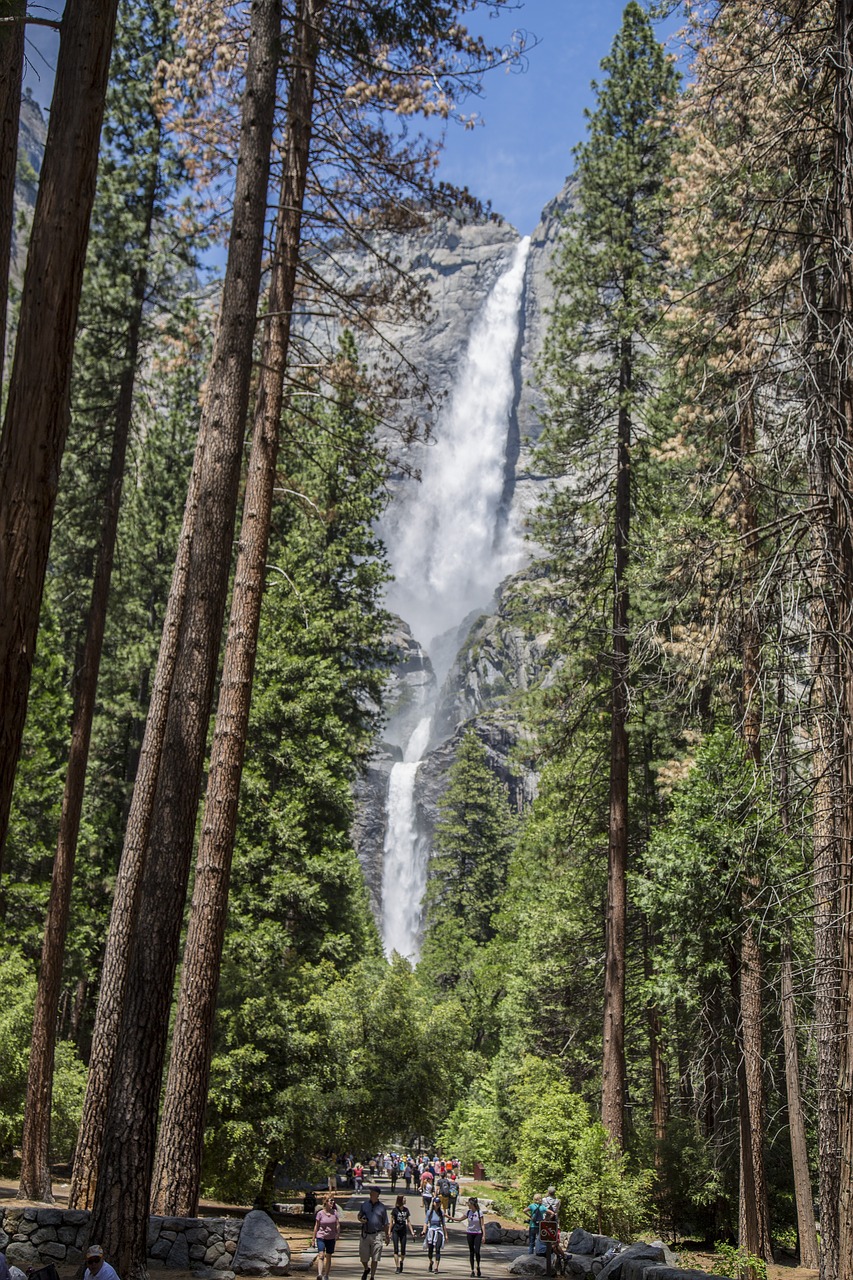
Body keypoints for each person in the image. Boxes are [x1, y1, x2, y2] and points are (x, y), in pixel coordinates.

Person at [358, 1186, 390, 1280]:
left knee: (375, 1257)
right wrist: (361, 1219)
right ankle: (366, 1268)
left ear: (377, 1194)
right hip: (365, 1234)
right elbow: (359, 1216)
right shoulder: (364, 1205)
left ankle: (372, 1276)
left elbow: (385, 1223)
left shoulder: (382, 1208)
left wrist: (387, 1236)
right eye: (370, 1192)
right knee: (363, 1257)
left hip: (377, 1234)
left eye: (372, 1192)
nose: (370, 1193)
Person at [311, 1193, 341, 1280]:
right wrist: (313, 1239)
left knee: (328, 1256)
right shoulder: (320, 1213)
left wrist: (337, 1233)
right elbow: (316, 1226)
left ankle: (326, 1275)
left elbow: (337, 1224)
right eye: (331, 1200)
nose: (332, 1202)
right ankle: (319, 1274)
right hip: (321, 1237)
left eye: (333, 1200)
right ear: (326, 1202)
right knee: (321, 1255)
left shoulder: (335, 1213)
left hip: (331, 1237)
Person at [390, 1194, 415, 1272]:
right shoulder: (395, 1210)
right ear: (400, 1200)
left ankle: (401, 1262)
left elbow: (408, 1221)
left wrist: (412, 1232)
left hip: (403, 1231)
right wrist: (389, 1232)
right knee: (396, 1249)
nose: (405, 1200)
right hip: (396, 1231)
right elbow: (391, 1222)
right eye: (404, 1199)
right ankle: (397, 1267)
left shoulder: (406, 1210)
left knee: (403, 1250)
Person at [422, 1196, 446, 1272]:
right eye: (436, 1202)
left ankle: (436, 1267)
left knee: (438, 1249)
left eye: (439, 1202)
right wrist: (423, 1231)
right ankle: (431, 1261)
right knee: (430, 1249)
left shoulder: (441, 1213)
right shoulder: (430, 1212)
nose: (438, 1204)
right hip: (431, 1231)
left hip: (438, 1231)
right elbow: (426, 1222)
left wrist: (446, 1234)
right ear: (433, 1203)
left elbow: (444, 1224)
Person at [465, 1197, 484, 1279]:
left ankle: (478, 1266)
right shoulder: (468, 1212)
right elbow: (459, 1219)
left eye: (469, 1203)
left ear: (472, 1204)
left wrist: (484, 1235)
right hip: (470, 1233)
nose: (468, 1204)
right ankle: (472, 1270)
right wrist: (449, 1217)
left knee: (477, 1251)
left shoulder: (479, 1213)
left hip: (478, 1233)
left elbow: (482, 1225)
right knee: (471, 1252)